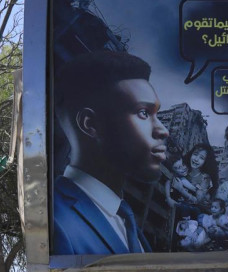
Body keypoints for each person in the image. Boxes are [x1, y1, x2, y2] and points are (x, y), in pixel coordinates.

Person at [52, 50, 169, 255]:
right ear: (90, 124)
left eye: (156, 114)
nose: (163, 130)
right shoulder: (54, 221)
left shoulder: (127, 224)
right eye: (144, 112)